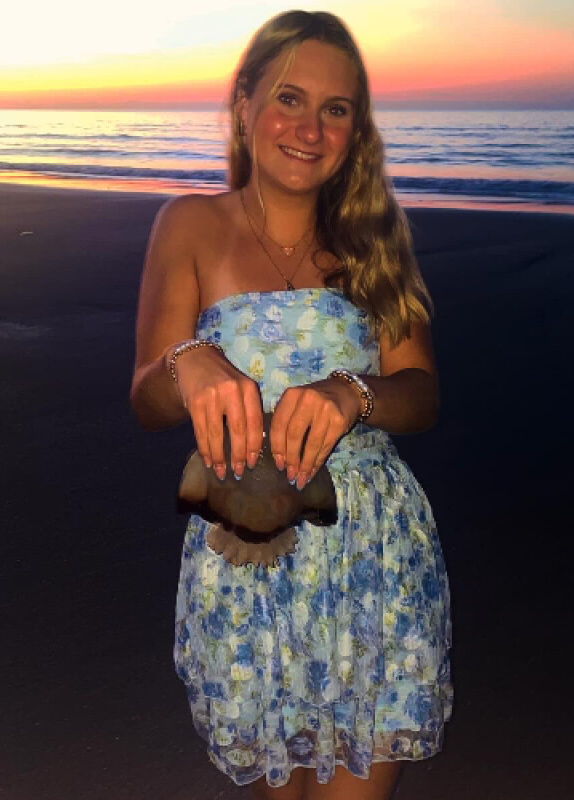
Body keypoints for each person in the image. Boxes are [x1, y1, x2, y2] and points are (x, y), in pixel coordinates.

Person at [130, 10, 452, 799]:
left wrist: (356, 392)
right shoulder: (189, 225)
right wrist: (188, 361)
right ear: (244, 107)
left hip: (372, 546)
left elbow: (422, 394)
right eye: (289, 98)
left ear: (355, 129)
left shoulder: (378, 241)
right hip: (249, 548)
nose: (310, 129)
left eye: (335, 109)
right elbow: (147, 399)